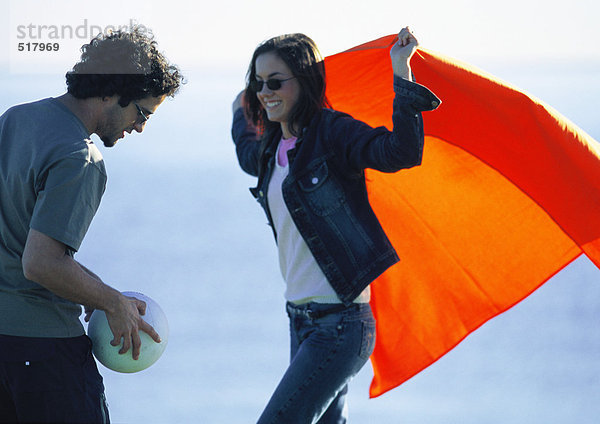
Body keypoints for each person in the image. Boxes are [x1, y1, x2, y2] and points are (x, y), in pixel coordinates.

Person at [231, 27, 440, 423]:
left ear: (304, 81)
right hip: (300, 322)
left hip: (340, 326)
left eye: (275, 82)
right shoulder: (271, 147)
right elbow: (246, 150)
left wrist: (402, 71)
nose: (264, 92)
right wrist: (239, 108)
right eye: (258, 83)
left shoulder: (333, 133)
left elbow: (401, 152)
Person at [0, 27, 183, 423]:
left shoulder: (14, 120)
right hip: (44, 354)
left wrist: (91, 289)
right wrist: (113, 303)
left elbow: (20, 242)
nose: (140, 127)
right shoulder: (80, 158)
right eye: (142, 112)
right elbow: (41, 263)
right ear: (112, 91)